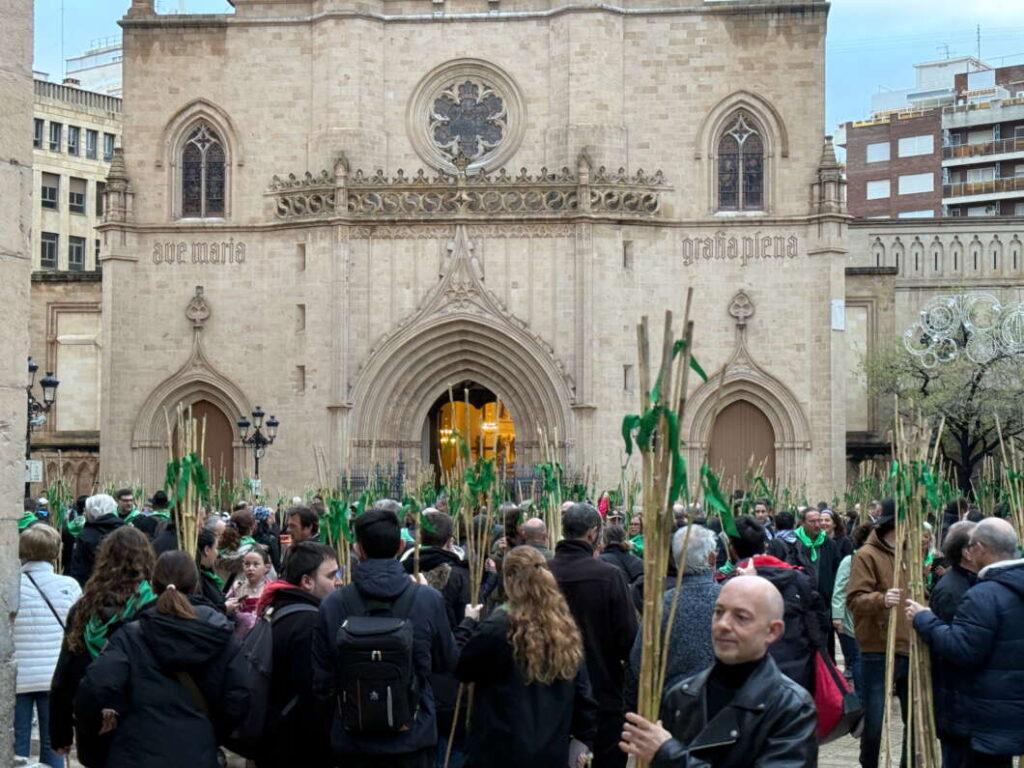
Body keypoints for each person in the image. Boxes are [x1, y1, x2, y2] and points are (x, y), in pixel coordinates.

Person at [312, 504, 457, 768]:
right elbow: (447, 661)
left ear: (359, 550)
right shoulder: (428, 599)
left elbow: (322, 682)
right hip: (412, 737)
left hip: (352, 741)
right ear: (401, 546)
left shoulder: (333, 604)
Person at [619, 575, 818, 768]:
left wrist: (668, 754)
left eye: (741, 617)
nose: (723, 624)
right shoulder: (682, 696)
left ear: (772, 631)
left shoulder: (792, 707)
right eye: (719, 612)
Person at [75, 550, 249, 768]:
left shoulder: (130, 635)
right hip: (196, 750)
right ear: (195, 585)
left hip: (136, 750)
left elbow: (93, 687)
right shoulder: (220, 634)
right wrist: (212, 730)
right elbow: (239, 695)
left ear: (152, 585)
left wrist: (94, 738)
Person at [457, 546, 597, 768]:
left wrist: (468, 623)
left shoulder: (498, 627)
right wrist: (584, 740)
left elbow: (462, 667)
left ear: (509, 579)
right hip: (551, 753)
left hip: (499, 753)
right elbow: (583, 694)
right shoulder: (565, 628)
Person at [906, 518, 1024, 768]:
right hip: (1007, 712)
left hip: (979, 715)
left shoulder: (984, 594)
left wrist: (924, 619)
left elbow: (963, 649)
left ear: (979, 548)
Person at [50, 526, 157, 767]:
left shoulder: (84, 608)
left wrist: (61, 733)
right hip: (136, 718)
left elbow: (64, 673)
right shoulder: (152, 609)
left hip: (92, 716)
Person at [549, 503, 638, 768]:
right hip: (602, 691)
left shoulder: (542, 572)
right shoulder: (609, 576)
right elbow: (628, 639)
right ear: (592, 534)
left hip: (551, 692)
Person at [256, 541, 340, 768]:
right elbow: (312, 695)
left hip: (274, 736)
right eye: (331, 576)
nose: (339, 582)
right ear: (307, 581)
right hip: (298, 746)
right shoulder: (310, 624)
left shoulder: (276, 607)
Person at [722, 515, 827, 693]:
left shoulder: (727, 588)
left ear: (731, 550)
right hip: (797, 676)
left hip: (746, 682)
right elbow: (820, 624)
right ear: (765, 546)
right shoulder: (798, 579)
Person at [399, 509, 472, 766]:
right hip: (450, 682)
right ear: (449, 541)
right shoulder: (462, 577)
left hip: (411, 681)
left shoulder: (400, 574)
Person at [847, 500, 911, 768]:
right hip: (879, 646)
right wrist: (882, 599)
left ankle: (911, 761)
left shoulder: (909, 555)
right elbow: (855, 599)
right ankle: (869, 762)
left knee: (914, 717)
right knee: (875, 717)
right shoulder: (867, 555)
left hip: (910, 644)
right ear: (895, 523)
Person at [626, 525, 719, 708]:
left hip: (672, 706)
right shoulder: (727, 600)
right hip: (720, 708)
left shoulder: (663, 603)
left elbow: (639, 663)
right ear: (712, 557)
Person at [16, 524, 82, 768]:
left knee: (17, 744)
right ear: (55, 553)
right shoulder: (70, 586)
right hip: (55, 676)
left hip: (19, 677)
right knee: (54, 742)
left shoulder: (11, 585)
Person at [918, 520, 977, 768]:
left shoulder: (971, 582)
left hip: (968, 704)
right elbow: (953, 646)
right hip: (957, 701)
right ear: (967, 553)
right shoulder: (953, 590)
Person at [831, 522, 873, 695]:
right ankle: (861, 695)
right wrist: (837, 616)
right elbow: (839, 590)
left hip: (872, 618)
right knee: (858, 657)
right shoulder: (850, 561)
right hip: (853, 617)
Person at [68, 494, 125, 587]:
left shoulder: (85, 535)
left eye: (86, 510)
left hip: (93, 590)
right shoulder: (127, 531)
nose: (84, 513)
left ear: (94, 511)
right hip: (124, 590)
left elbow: (78, 570)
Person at [225, 544, 272, 638]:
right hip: (240, 637)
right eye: (247, 564)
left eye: (256, 564)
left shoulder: (271, 589)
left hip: (262, 637)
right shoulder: (237, 587)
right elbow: (225, 609)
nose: (250, 568)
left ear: (266, 567)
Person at [216, 507, 259, 587]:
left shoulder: (216, 549)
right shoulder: (256, 551)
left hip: (219, 596)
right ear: (251, 528)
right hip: (245, 595)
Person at [196, 528, 227, 612]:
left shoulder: (206, 573)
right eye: (216, 548)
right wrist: (225, 608)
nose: (218, 552)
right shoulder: (198, 579)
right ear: (207, 550)